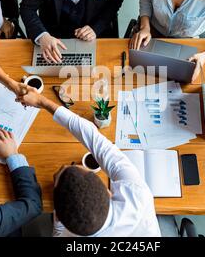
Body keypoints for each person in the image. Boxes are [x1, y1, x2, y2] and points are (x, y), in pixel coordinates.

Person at [16, 87, 161, 237]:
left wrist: (58, 218)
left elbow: (58, 231)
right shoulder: (137, 195)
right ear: (108, 192)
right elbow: (96, 141)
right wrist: (42, 101)